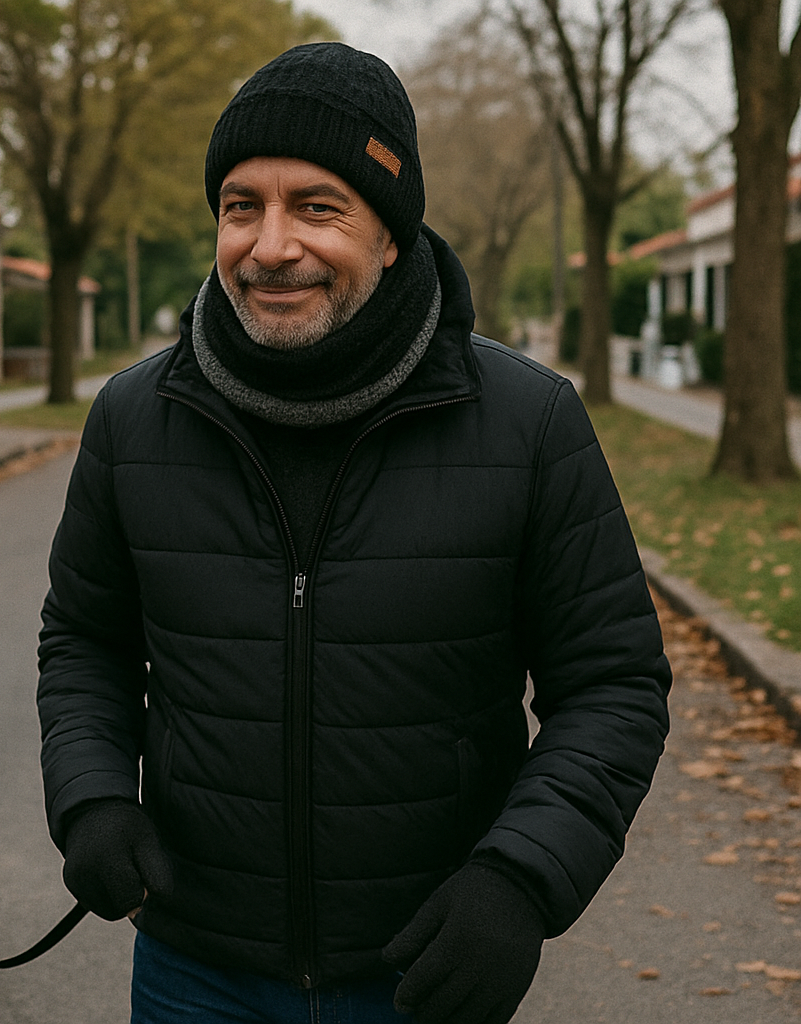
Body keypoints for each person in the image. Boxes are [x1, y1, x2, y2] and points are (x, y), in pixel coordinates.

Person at [37, 41, 671, 1024]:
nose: (269, 243)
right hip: (193, 967)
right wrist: (90, 799)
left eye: (317, 206)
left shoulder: (529, 420)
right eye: (241, 204)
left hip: (423, 970)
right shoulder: (132, 417)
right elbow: (84, 639)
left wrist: (519, 879)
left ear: (389, 233)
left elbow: (612, 681)